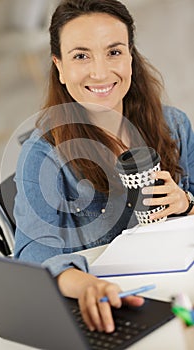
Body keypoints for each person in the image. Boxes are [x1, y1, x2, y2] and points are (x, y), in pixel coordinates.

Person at [13, 0, 194, 334]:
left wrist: (186, 202)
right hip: (114, 308)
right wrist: (85, 286)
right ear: (60, 68)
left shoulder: (175, 125)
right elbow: (32, 257)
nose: (100, 72)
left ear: (130, 58)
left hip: (179, 293)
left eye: (114, 52)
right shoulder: (43, 156)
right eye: (81, 56)